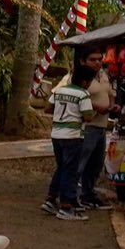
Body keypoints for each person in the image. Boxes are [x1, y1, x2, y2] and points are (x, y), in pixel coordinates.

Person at [44, 64, 90, 219]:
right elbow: (88, 116)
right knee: (70, 170)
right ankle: (66, 205)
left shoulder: (59, 91)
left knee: (62, 167)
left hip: (57, 134)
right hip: (73, 135)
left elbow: (47, 108)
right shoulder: (83, 94)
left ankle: (51, 198)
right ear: (85, 82)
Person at [78, 49, 117, 209]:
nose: (97, 62)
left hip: (102, 126)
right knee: (81, 162)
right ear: (83, 61)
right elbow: (76, 96)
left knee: (96, 164)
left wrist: (112, 105)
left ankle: (88, 195)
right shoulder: (77, 77)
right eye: (92, 59)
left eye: (100, 59)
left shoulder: (103, 75)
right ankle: (71, 196)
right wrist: (96, 107)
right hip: (87, 126)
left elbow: (110, 93)